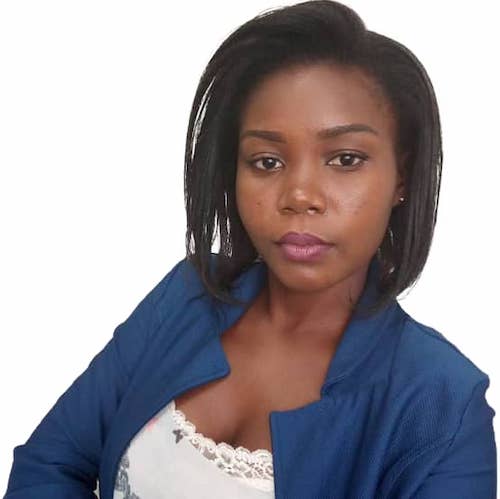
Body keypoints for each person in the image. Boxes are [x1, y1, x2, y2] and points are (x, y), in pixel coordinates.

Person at [4, 1, 497, 498]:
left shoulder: (445, 408)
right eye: (266, 161)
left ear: (402, 178)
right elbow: (49, 466)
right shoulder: (186, 296)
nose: (299, 195)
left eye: (345, 159)